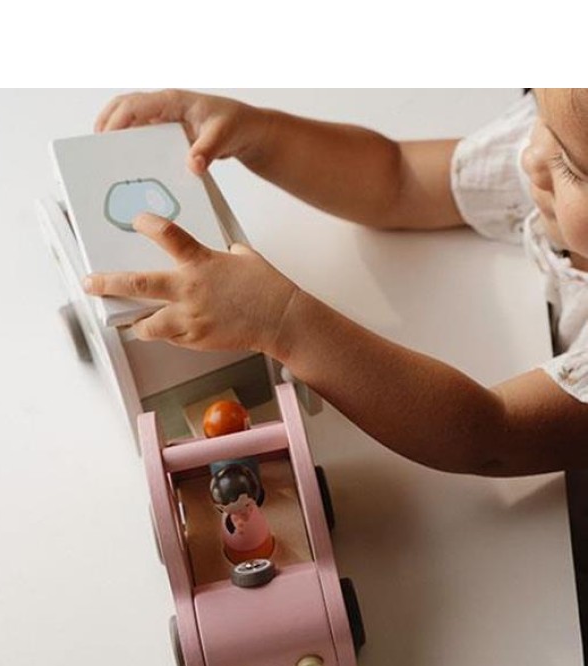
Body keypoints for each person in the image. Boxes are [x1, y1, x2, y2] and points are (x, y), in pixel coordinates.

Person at [84, 88, 588, 478]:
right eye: (537, 112)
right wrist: (262, 134)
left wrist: (283, 322)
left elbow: (489, 435)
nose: (531, 153)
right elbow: (399, 180)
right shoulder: (561, 132)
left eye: (570, 165)